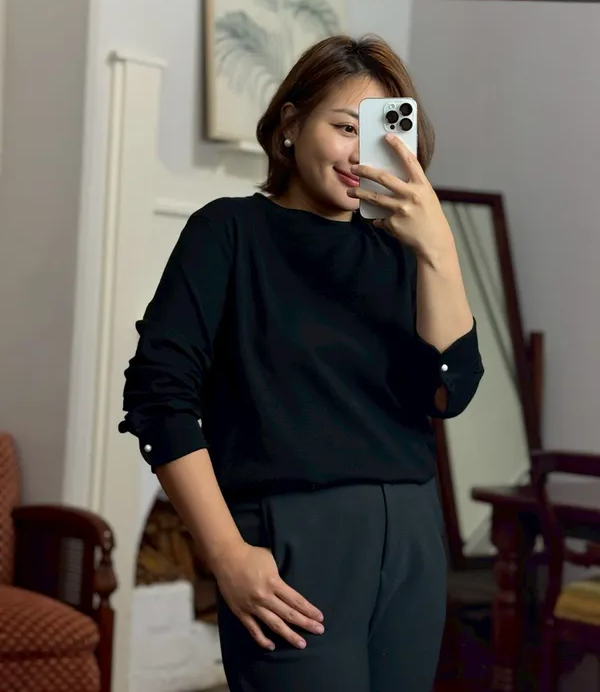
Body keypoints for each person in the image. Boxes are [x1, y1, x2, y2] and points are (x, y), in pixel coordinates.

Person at [118, 34, 484, 692]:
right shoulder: (228, 232)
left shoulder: (401, 254)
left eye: (377, 132)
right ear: (291, 124)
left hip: (411, 541)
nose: (360, 154)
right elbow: (157, 397)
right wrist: (226, 552)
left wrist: (437, 248)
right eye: (344, 127)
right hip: (291, 538)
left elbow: (449, 392)